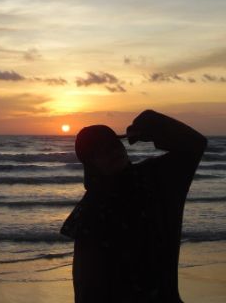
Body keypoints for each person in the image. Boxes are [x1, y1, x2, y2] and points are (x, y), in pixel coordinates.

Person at [60, 109, 207, 303]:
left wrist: (155, 124)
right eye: (99, 151)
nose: (111, 151)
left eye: (113, 144)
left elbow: (195, 145)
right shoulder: (90, 211)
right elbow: (86, 284)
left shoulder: (154, 179)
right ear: (90, 163)